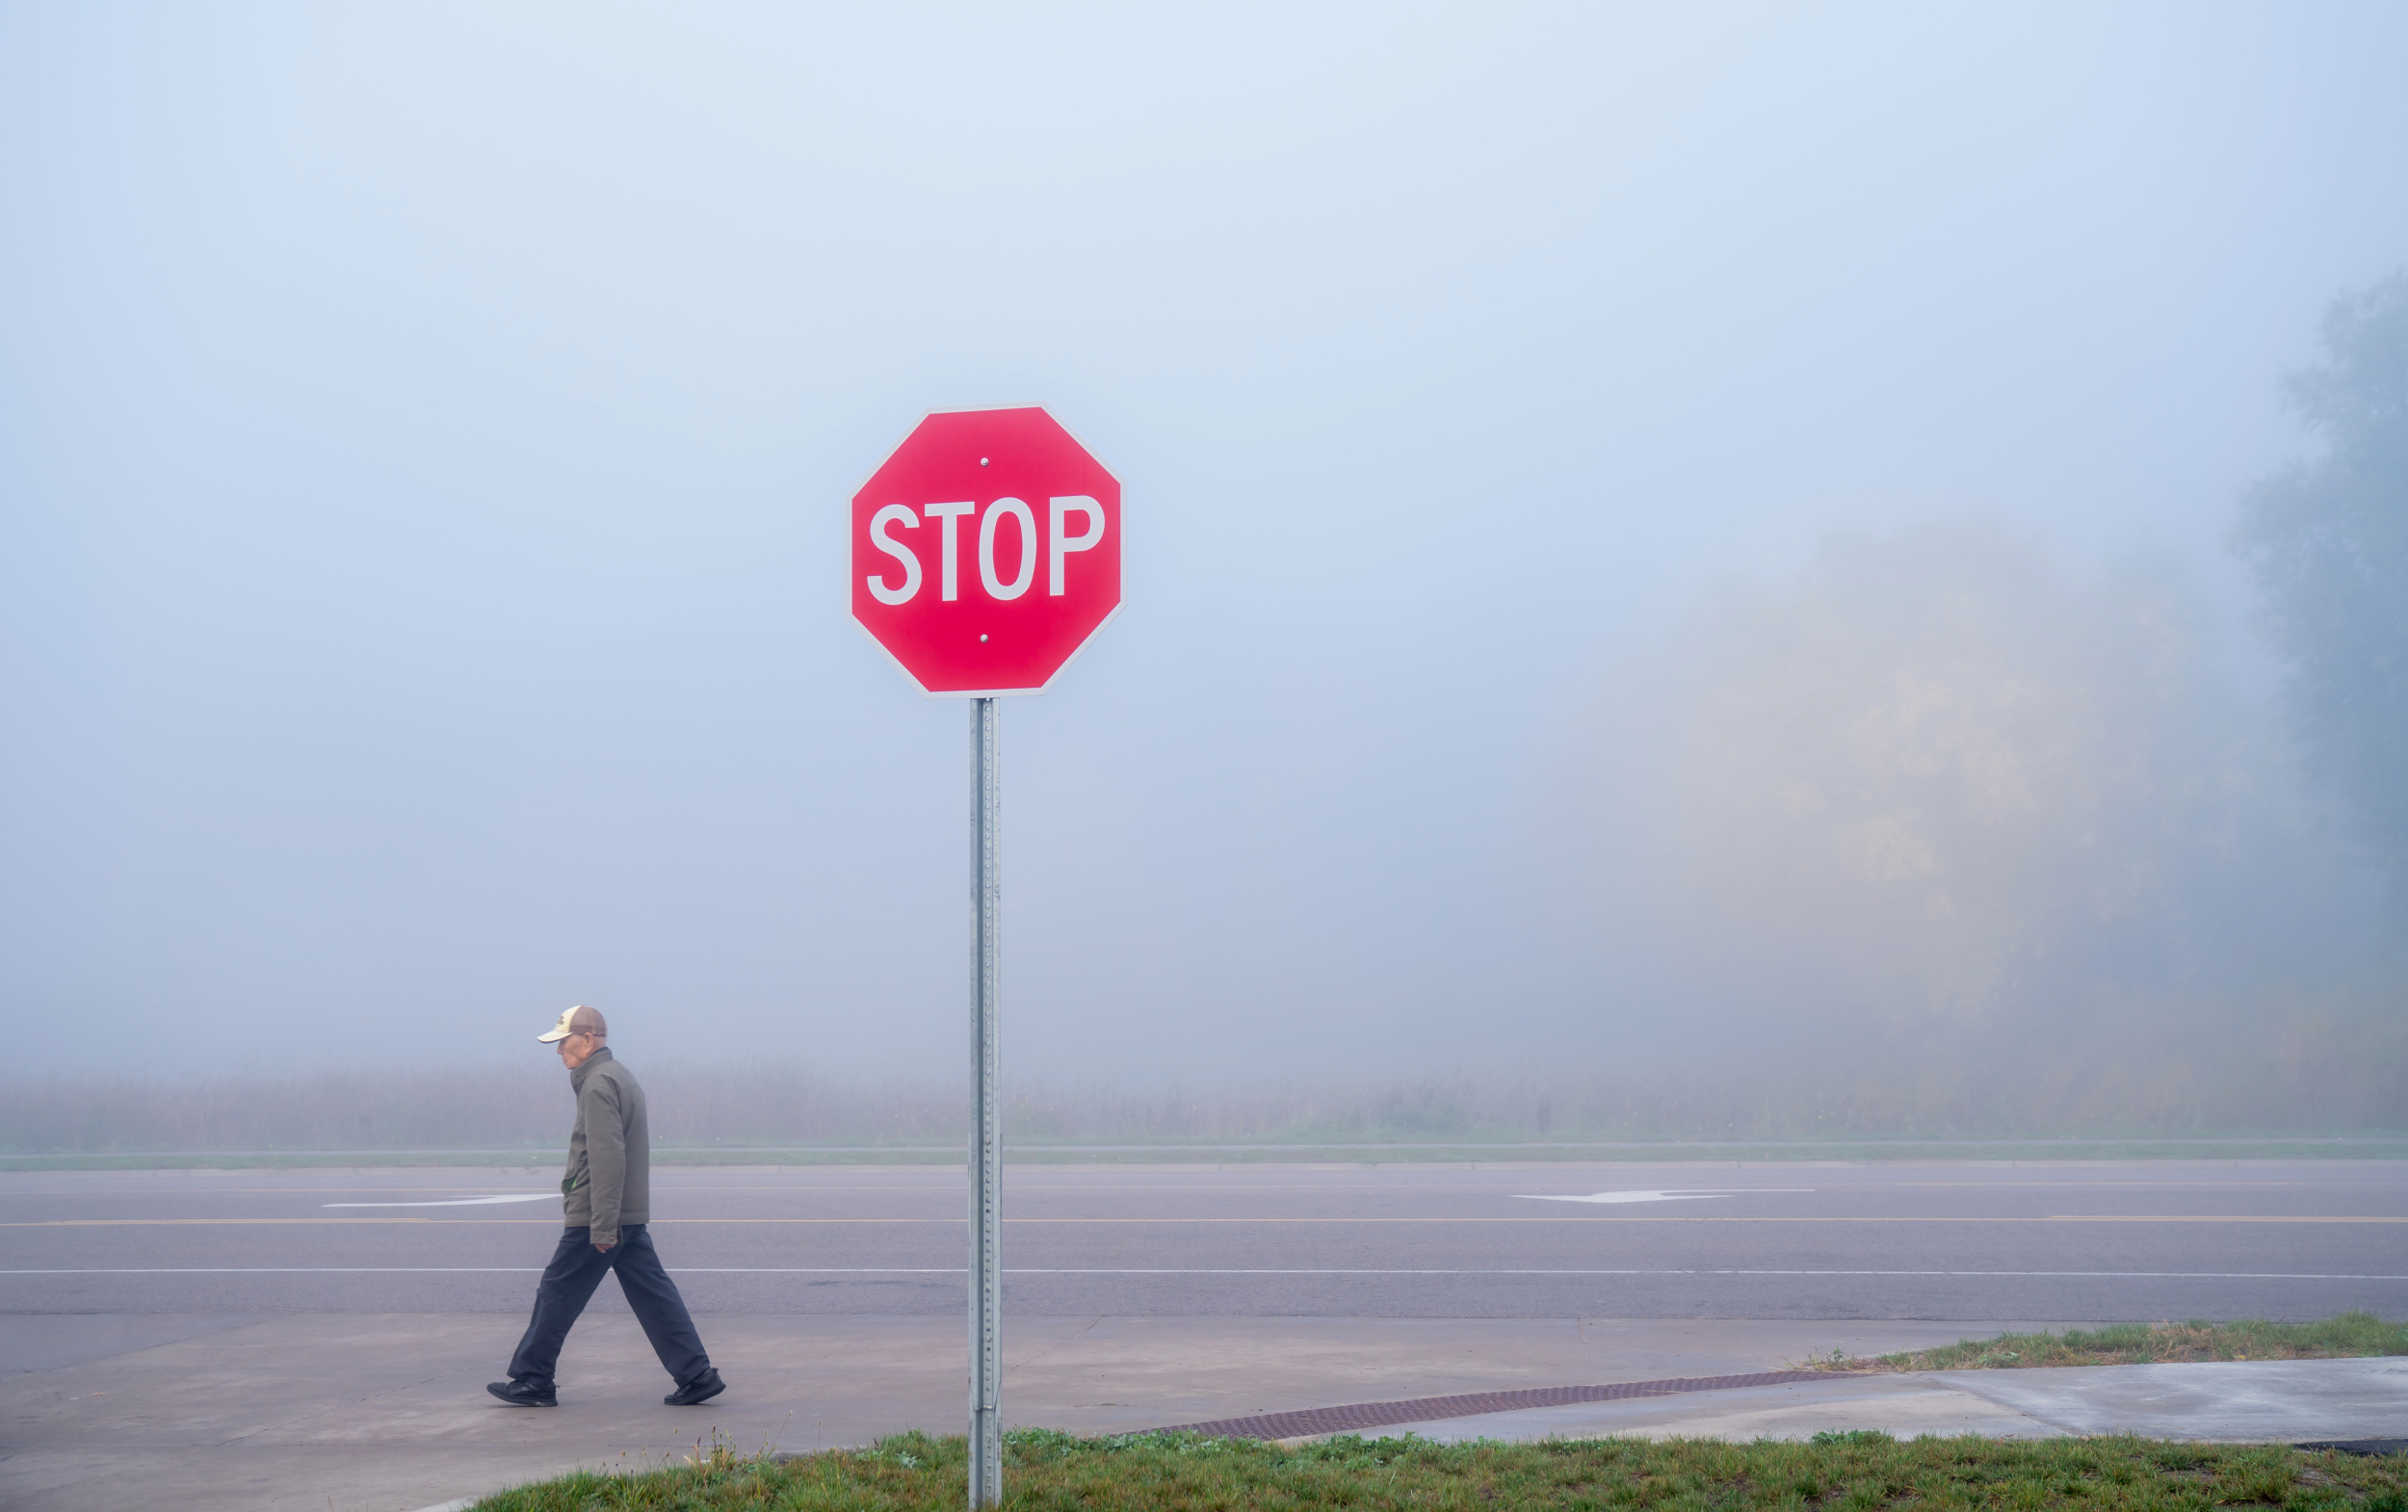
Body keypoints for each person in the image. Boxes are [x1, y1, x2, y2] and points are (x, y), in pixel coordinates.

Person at [486, 1004, 726, 1407]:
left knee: (557, 1292)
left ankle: (533, 1379)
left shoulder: (598, 1084)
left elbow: (607, 1158)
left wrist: (602, 1224)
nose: (558, 1051)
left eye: (562, 1042)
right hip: (623, 1213)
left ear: (587, 1041)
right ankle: (696, 1374)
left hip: (599, 1214)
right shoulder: (619, 1076)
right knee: (653, 1294)